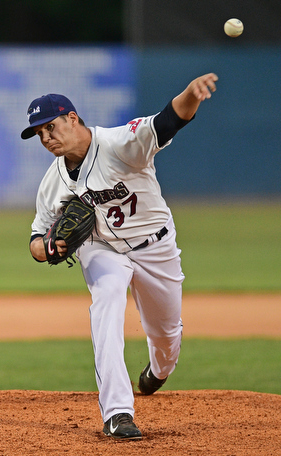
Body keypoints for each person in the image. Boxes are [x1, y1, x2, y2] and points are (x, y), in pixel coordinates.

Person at [22, 73, 218, 439]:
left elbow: (168, 120)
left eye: (50, 127)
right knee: (107, 300)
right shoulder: (53, 181)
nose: (46, 138)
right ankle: (117, 413)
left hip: (154, 245)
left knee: (166, 334)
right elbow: (36, 237)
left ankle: (158, 371)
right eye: (39, 133)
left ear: (72, 118)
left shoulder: (119, 143)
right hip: (103, 249)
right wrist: (46, 248)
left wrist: (190, 94)